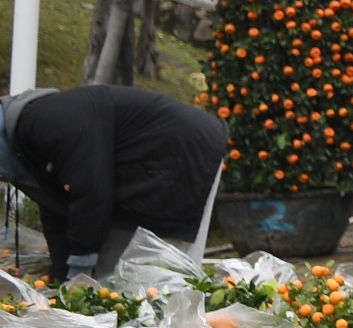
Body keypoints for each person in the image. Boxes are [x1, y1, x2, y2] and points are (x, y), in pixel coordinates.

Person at [0, 85, 230, 278]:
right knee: (113, 279)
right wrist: (63, 275)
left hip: (179, 155)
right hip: (136, 172)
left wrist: (79, 269)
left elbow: (90, 189)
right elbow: (56, 209)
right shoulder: (25, 145)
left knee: (162, 277)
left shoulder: (48, 121)